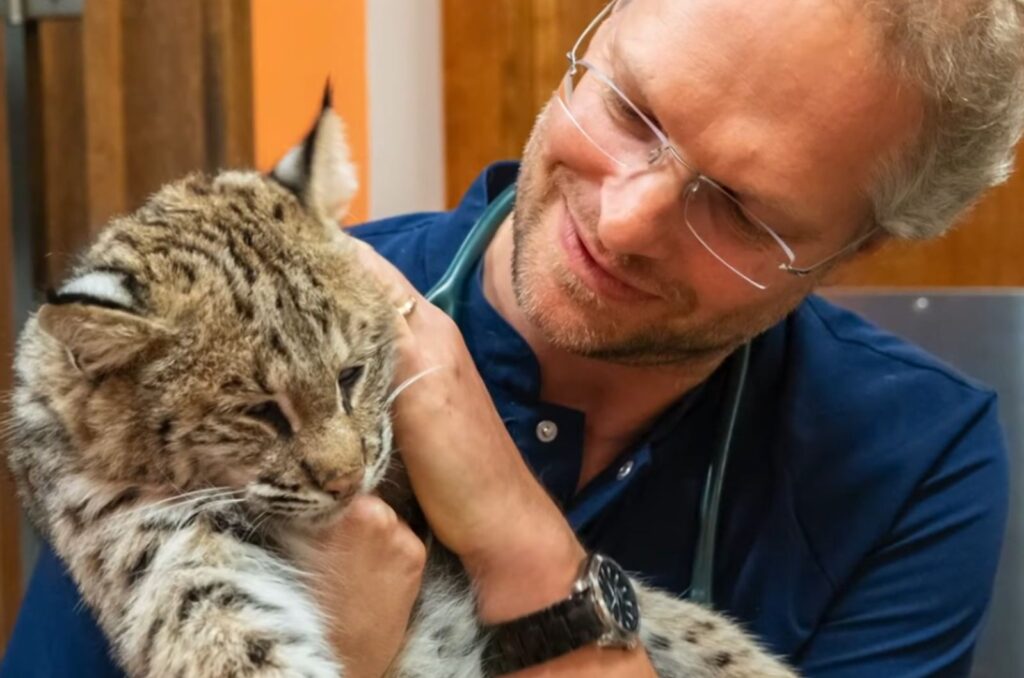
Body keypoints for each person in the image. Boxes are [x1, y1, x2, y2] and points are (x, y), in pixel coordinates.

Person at [3, 0, 1021, 676]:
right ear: (598, 28)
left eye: (742, 211)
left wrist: (515, 540)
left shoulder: (917, 460)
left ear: (860, 245)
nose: (623, 222)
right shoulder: (207, 354)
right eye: (632, 108)